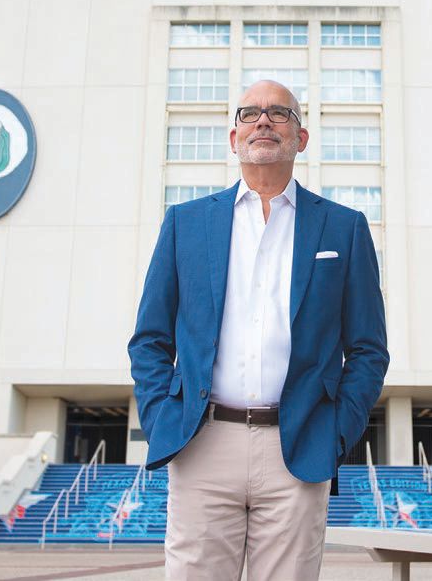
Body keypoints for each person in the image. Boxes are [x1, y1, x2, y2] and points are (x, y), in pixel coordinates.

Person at [128, 79, 389, 579]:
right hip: (202, 444)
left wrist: (335, 433)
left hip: (298, 448)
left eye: (278, 113)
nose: (263, 120)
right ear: (234, 138)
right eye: (249, 113)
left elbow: (368, 348)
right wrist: (163, 417)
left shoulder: (344, 227)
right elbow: (150, 338)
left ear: (301, 137)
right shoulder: (185, 224)